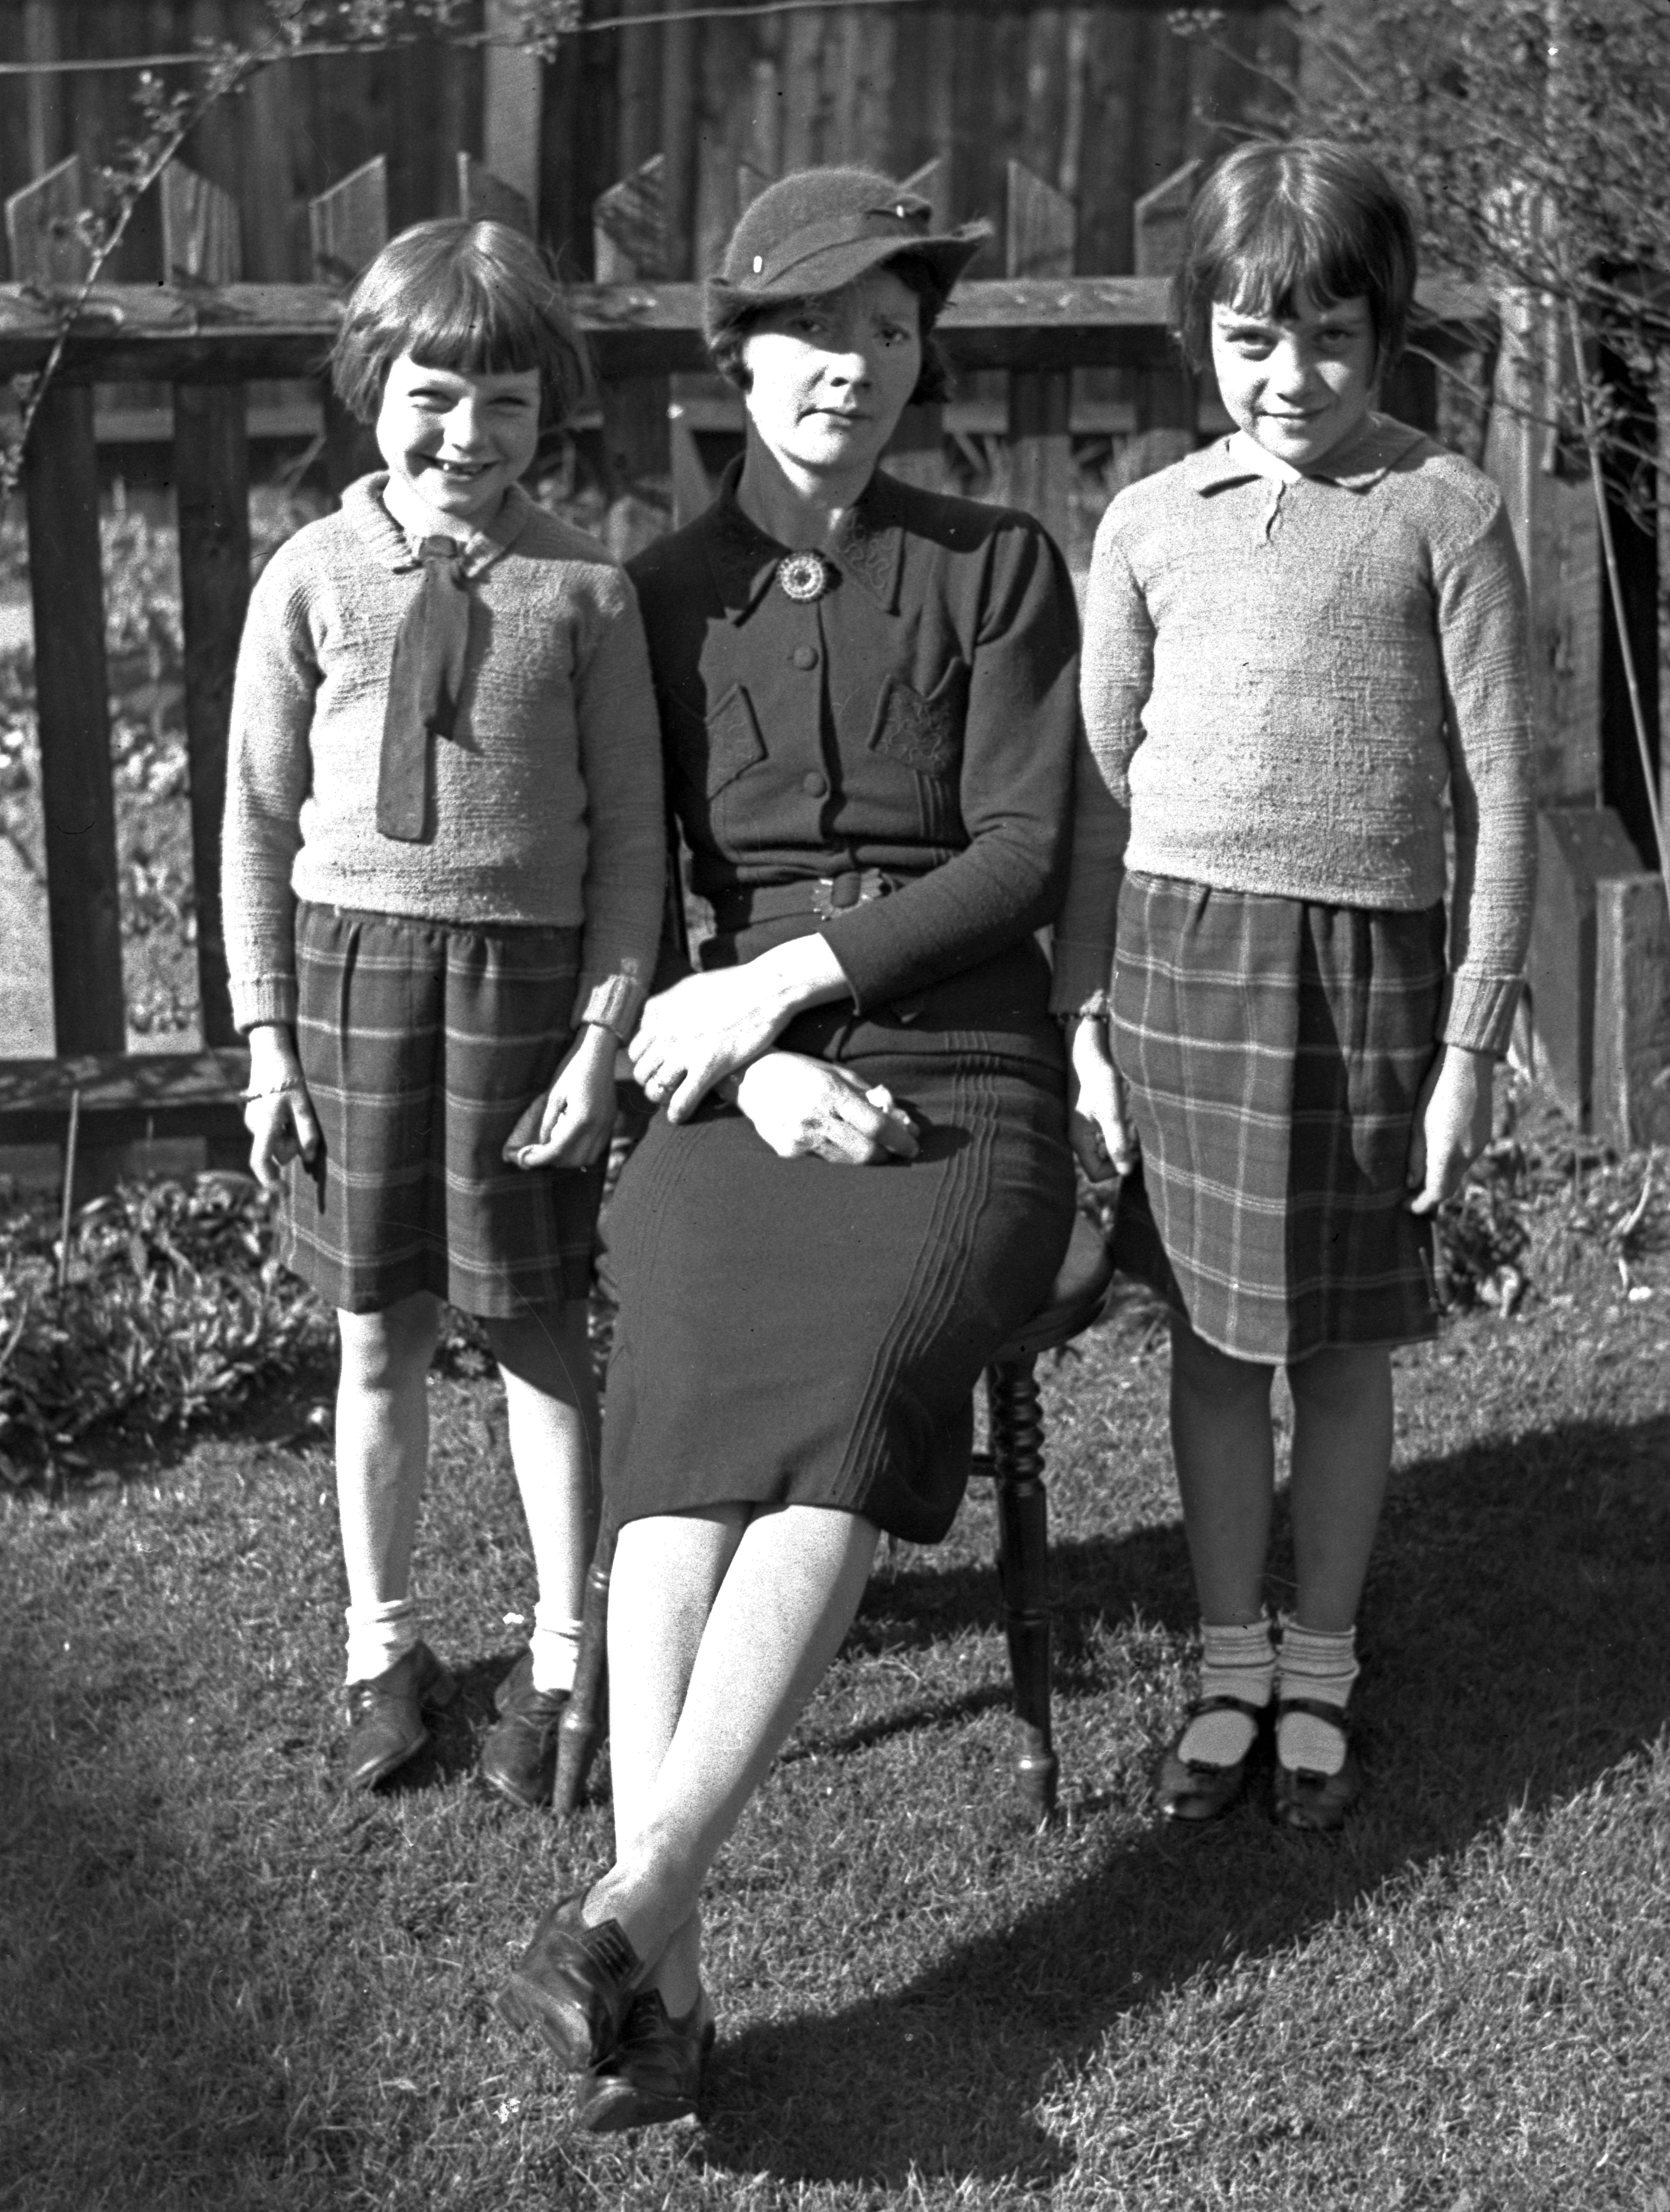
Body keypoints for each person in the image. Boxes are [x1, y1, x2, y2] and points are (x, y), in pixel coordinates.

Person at [493, 167, 1082, 2129]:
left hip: (962, 1073)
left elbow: (1021, 853)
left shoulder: (997, 566)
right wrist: (741, 1062)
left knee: (846, 1399)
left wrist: (787, 985)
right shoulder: (654, 598)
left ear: (920, 361)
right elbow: (639, 898)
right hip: (727, 1080)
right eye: (814, 330)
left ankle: (636, 1912)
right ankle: (659, 1992)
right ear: (734, 359)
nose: (853, 365)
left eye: (889, 331)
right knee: (676, 1427)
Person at [1057, 139, 1535, 1831]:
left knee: (1334, 1347)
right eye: (1253, 339)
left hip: (1363, 982)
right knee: (1208, 1343)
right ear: (1202, 331)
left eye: (1332, 339)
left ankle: (1317, 1660)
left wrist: (1467, 1049)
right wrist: (1085, 1020)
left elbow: (1499, 795)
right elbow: (1100, 795)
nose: (1292, 377)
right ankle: (1227, 1657)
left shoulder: (1444, 511)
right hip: (1180, 968)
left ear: (1384, 334)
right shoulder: (1146, 525)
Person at [222, 219, 665, 1806]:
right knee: (377, 1337)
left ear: (549, 413)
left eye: (508, 406)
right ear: (372, 386)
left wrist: (602, 1039)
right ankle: (383, 1648)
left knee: (539, 1332)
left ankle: (564, 1656)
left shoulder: (584, 591)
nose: (468, 436)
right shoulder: (310, 576)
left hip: (525, 1003)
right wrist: (267, 1038)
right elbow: (254, 820)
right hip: (353, 988)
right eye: (433, 395)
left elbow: (631, 844)